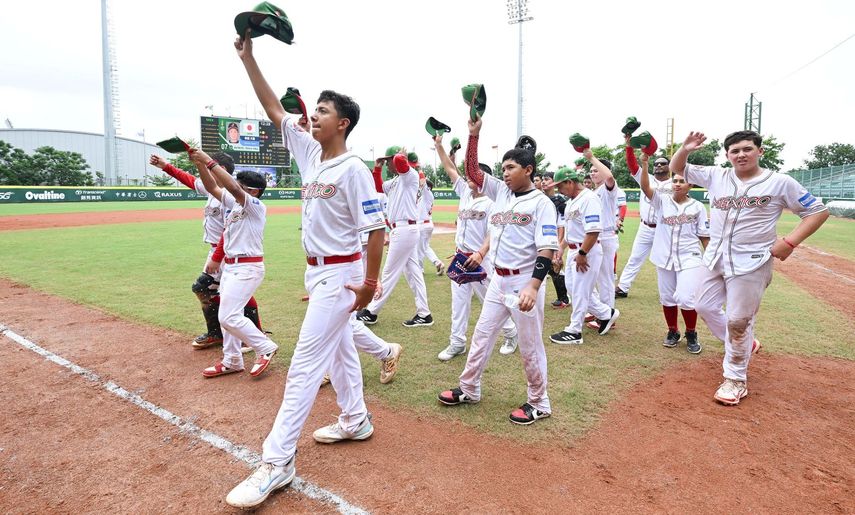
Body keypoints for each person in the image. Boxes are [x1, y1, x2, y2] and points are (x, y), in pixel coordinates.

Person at [225, 29, 386, 509]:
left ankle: (277, 462)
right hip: (318, 273)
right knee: (340, 351)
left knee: (303, 368)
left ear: (344, 123)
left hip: (343, 275)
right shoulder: (312, 154)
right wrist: (248, 57)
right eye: (313, 109)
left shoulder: (354, 168)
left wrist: (370, 285)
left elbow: (376, 230)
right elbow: (275, 110)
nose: (312, 115)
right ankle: (355, 420)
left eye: (322, 111)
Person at [671, 130, 829, 405]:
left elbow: (817, 211)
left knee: (738, 320)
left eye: (747, 149)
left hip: (751, 261)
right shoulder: (717, 176)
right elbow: (677, 168)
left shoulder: (780, 182)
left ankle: (735, 379)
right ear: (727, 155)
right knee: (703, 306)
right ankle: (745, 344)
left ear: (760, 151)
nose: (741, 154)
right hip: (716, 258)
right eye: (734, 151)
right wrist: (685, 148)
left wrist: (790, 242)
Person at [438, 114, 558, 426]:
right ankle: (469, 388)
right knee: (481, 335)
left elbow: (547, 249)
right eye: (503, 168)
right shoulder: (501, 194)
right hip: (497, 280)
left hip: (523, 282)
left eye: (511, 168)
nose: (504, 173)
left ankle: (539, 402)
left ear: (528, 170)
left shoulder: (541, 203)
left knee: (530, 346)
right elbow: (472, 172)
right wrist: (473, 136)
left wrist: (533, 286)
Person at [149, 153, 263, 351]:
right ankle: (225, 333)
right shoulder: (215, 190)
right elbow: (191, 180)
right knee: (217, 292)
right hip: (218, 251)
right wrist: (166, 166)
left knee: (208, 289)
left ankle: (238, 333)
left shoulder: (233, 198)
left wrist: (217, 257)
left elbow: (228, 230)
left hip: (226, 252)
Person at [187, 148, 279, 379]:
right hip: (231, 266)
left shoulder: (255, 206)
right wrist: (200, 163)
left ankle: (265, 347)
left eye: (240, 185)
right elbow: (212, 187)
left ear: (254, 191)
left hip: (248, 267)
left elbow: (233, 188)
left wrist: (208, 161)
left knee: (228, 317)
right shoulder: (236, 207)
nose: (232, 186)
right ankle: (233, 360)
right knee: (227, 316)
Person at [433, 133, 519, 359]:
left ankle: (511, 332)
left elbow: (494, 232)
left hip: (481, 259)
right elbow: (450, 169)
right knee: (458, 304)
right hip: (461, 258)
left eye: (473, 176)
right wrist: (440, 146)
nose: (467, 179)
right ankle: (457, 342)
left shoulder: (492, 202)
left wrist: (481, 253)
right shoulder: (464, 193)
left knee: (492, 302)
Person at [637, 152, 709, 353]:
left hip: (690, 256)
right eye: (675, 180)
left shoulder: (697, 207)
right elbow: (645, 187)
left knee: (686, 297)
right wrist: (644, 163)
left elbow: (704, 235)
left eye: (682, 181)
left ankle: (691, 332)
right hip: (664, 255)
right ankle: (673, 331)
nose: (677, 184)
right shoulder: (662, 201)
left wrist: (710, 258)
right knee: (667, 298)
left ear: (691, 185)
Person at [548, 164, 619, 345]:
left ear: (570, 182)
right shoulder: (572, 201)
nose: (559, 190)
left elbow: (593, 231)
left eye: (560, 186)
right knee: (573, 288)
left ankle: (574, 330)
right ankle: (606, 313)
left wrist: (582, 253)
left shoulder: (589, 199)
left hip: (587, 250)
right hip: (574, 249)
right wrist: (562, 249)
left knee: (580, 291)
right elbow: (572, 231)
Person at [615, 139, 673, 298]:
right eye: (657, 164)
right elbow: (632, 165)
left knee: (668, 259)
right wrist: (628, 147)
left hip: (665, 228)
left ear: (669, 167)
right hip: (645, 227)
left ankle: (672, 291)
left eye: (663, 163)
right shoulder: (646, 177)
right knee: (634, 258)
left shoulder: (675, 183)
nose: (659, 166)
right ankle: (623, 287)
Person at [540, 171, 570, 309]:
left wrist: (558, 245)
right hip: (540, 237)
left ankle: (564, 298)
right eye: (542, 179)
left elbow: (561, 225)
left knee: (554, 268)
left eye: (547, 179)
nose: (543, 182)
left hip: (553, 239)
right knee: (549, 268)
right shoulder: (539, 198)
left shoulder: (560, 201)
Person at [416, 168, 445, 275]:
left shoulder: (427, 195)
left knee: (418, 249)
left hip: (423, 225)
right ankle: (438, 263)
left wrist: (419, 170)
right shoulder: (424, 197)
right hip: (427, 224)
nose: (419, 186)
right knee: (425, 247)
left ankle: (420, 269)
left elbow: (422, 182)